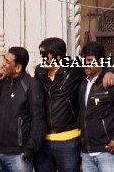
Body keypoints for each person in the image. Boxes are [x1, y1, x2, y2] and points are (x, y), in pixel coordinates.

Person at [77, 45, 114, 172]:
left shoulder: (111, 82)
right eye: (84, 60)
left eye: (90, 60)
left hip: (107, 152)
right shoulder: (82, 83)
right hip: (87, 154)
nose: (86, 64)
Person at [0, 49, 44, 172]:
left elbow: (38, 119)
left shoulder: (31, 85)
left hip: (19, 155)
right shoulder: (2, 85)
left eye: (7, 62)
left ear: (18, 67)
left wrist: (30, 148)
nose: (3, 64)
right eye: (4, 59)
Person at [35, 41, 83, 172]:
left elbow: (97, 66)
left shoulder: (74, 70)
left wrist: (110, 73)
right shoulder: (40, 72)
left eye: (45, 55)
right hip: (44, 140)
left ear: (58, 57)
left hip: (68, 139)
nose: (41, 59)